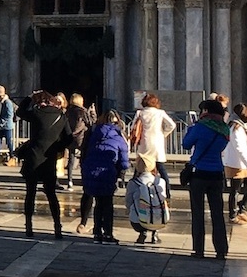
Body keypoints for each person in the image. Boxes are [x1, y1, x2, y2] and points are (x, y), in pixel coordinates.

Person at [181, 98, 232, 259]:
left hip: (199, 173)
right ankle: (221, 250)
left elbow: (186, 144)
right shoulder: (224, 129)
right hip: (217, 173)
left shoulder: (200, 127)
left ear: (206, 112)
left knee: (198, 212)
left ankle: (199, 249)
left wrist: (191, 129)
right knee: (218, 213)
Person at [18, 91, 73, 239]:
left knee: (31, 193)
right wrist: (56, 148)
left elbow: (20, 112)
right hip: (49, 160)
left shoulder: (36, 113)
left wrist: (29, 97)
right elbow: (69, 138)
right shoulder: (61, 116)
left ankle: (29, 226)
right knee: (51, 194)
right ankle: (57, 227)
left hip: (34, 158)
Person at [79, 110, 130, 244]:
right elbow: (124, 162)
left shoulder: (93, 133)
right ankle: (107, 233)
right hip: (107, 172)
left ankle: (97, 233)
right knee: (107, 204)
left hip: (91, 171)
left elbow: (85, 151)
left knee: (98, 202)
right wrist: (121, 171)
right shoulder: (118, 137)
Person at [129, 93, 174, 183]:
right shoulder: (160, 113)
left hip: (144, 141)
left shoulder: (140, 113)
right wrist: (164, 133)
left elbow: (133, 127)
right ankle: (167, 190)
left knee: (140, 166)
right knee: (160, 167)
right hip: (157, 142)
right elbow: (172, 125)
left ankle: (134, 185)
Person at [124, 153, 168, 245]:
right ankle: (155, 233)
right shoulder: (161, 181)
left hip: (138, 220)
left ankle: (142, 232)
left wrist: (129, 210)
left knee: (135, 208)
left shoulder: (133, 183)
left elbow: (128, 201)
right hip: (159, 220)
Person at [0, 84, 16, 165]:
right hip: (0, 125)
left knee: (9, 142)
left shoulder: (7, 102)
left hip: (7, 126)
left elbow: (9, 115)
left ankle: (12, 157)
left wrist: (1, 123)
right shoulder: (0, 102)